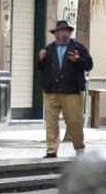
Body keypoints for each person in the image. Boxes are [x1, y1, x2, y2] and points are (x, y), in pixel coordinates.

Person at [39, 19, 92, 159]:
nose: (61, 35)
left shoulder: (78, 48)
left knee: (74, 121)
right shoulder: (48, 49)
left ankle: (79, 148)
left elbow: (89, 65)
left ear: (69, 33)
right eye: (58, 32)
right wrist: (40, 59)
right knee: (51, 121)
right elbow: (40, 68)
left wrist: (78, 60)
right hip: (51, 90)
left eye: (64, 32)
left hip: (71, 91)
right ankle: (51, 150)